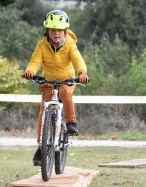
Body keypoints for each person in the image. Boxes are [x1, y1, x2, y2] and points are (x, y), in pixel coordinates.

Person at [24, 10, 89, 166]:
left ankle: (71, 123)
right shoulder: (41, 46)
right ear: (47, 31)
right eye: (53, 30)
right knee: (43, 113)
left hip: (66, 81)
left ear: (65, 31)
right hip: (48, 83)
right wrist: (31, 71)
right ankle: (41, 148)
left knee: (66, 93)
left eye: (59, 30)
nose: (56, 33)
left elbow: (78, 60)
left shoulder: (70, 45)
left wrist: (82, 73)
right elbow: (35, 61)